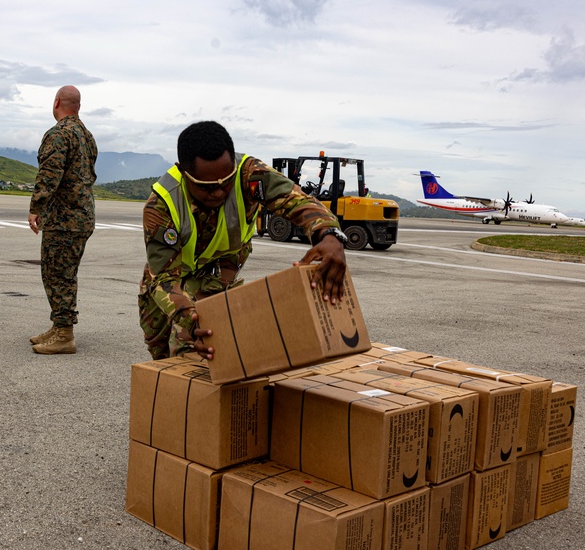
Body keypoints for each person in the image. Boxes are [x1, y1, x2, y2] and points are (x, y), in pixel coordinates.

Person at [139, 120, 350, 361]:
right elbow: (164, 279)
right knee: (159, 351)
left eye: (225, 182)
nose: (219, 192)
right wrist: (186, 316)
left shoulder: (249, 173)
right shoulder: (161, 204)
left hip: (217, 273)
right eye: (207, 187)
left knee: (195, 350)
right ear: (184, 173)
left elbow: (296, 200)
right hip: (169, 277)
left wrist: (329, 233)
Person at [27, 85, 98, 355]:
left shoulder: (59, 134)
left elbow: (49, 174)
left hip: (64, 218)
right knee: (63, 273)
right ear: (77, 105)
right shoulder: (87, 135)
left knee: (58, 275)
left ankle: (65, 333)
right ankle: (58, 325)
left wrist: (36, 207)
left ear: (56, 102)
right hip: (82, 215)